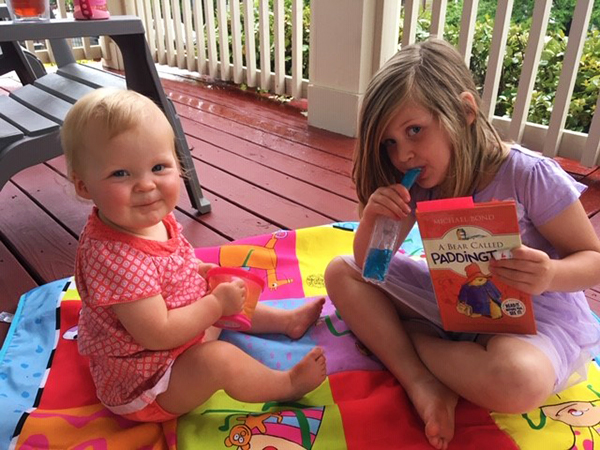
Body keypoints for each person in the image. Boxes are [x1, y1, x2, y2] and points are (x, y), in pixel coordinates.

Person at [324, 39, 600, 450]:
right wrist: (373, 219)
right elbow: (370, 268)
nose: (403, 155)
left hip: (532, 319)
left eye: (414, 130)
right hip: (451, 301)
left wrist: (550, 273)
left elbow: (593, 260)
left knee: (518, 382)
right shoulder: (417, 184)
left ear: (465, 112)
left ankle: (410, 341)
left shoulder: (528, 175)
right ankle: (421, 382)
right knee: (339, 271)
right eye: (390, 142)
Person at [61, 88, 326, 423]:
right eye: (120, 173)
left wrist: (200, 273)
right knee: (218, 359)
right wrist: (215, 306)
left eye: (158, 166)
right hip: (150, 382)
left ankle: (286, 321)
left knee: (226, 293)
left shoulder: (149, 217)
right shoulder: (116, 258)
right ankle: (286, 384)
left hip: (180, 336)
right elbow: (156, 333)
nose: (146, 185)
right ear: (84, 186)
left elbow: (172, 265)